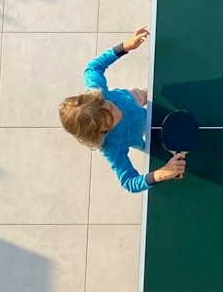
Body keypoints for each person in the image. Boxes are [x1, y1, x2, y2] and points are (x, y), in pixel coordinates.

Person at [58, 27, 185, 191]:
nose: (116, 112)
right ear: (100, 132)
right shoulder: (111, 146)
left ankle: (148, 95)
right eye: (110, 120)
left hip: (132, 99)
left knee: (151, 94)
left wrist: (125, 46)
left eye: (109, 106)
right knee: (160, 144)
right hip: (138, 132)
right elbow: (129, 183)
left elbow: (93, 68)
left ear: (99, 98)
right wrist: (160, 174)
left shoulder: (98, 91)